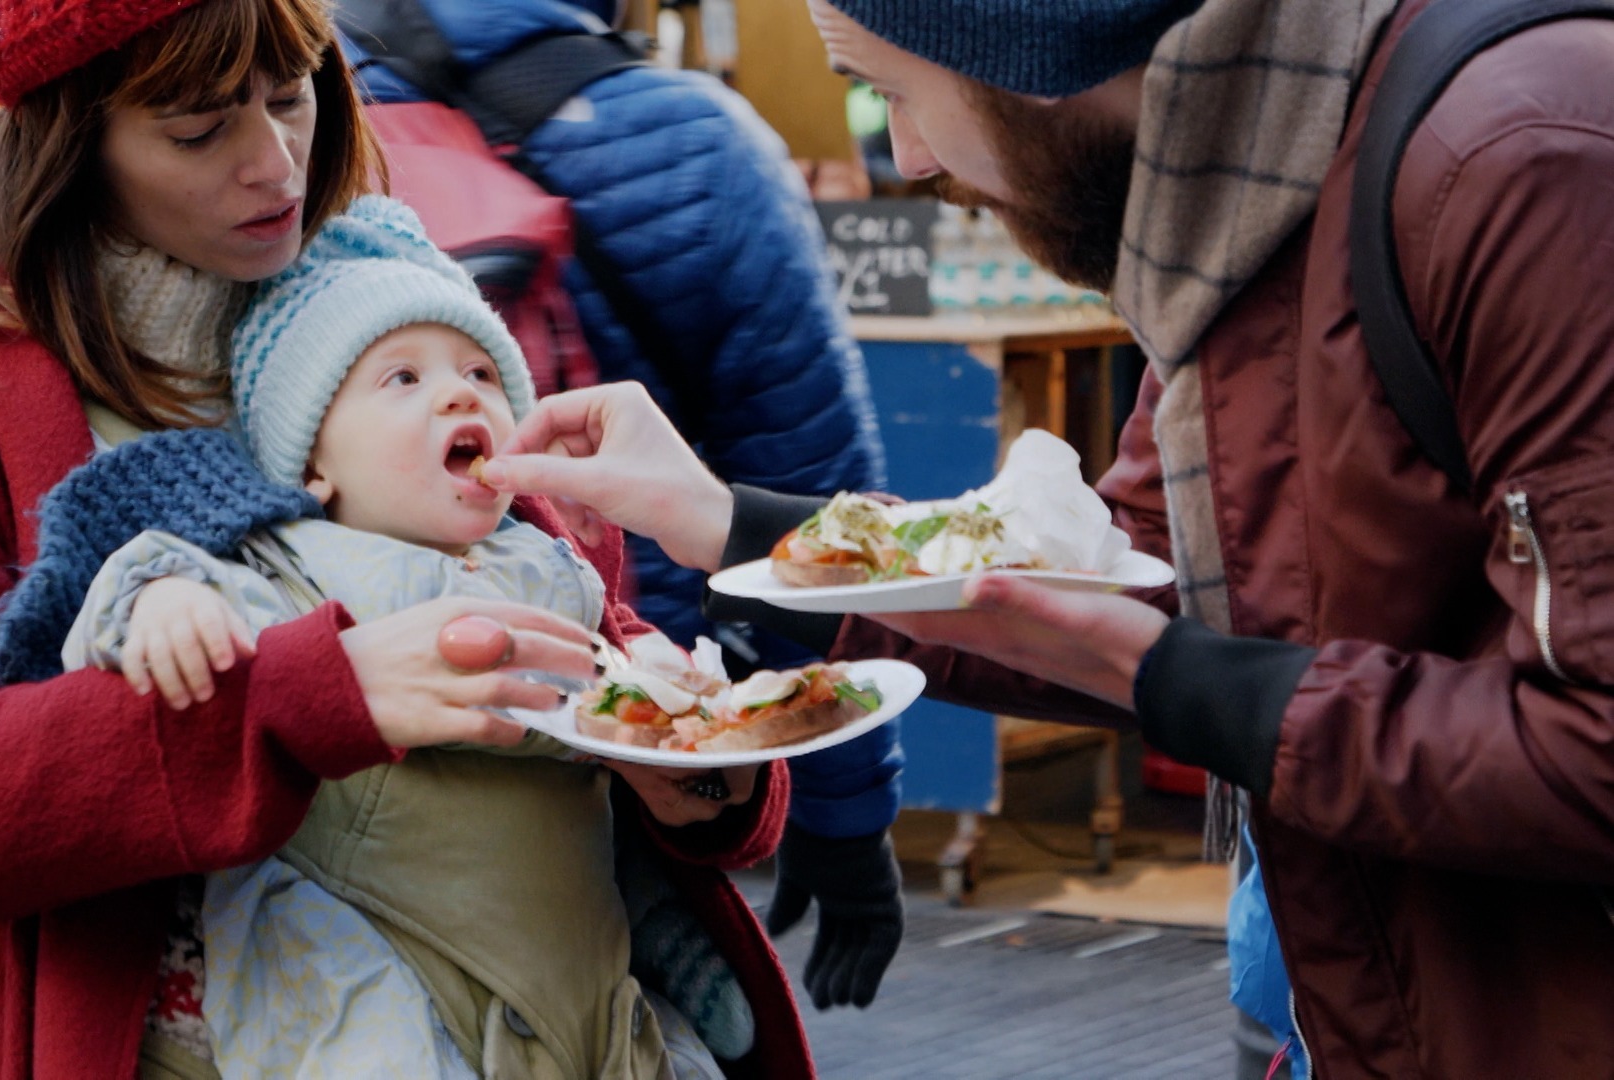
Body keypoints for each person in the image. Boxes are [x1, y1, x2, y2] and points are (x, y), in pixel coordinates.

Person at [477, 0, 1614, 1076]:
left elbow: (1595, 749)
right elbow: (1120, 561)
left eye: (890, 92)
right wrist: (729, 523)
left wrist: (1176, 681)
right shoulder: (1248, 180)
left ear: (1015, 38)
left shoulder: (1519, 160)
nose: (909, 156)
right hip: (1385, 995)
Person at [0, 3, 806, 1077]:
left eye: (291, 94)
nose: (275, 162)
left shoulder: (390, 297)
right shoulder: (17, 397)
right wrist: (301, 701)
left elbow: (580, 623)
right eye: (197, 129)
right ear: (66, 146)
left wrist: (704, 772)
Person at [340, 0, 905, 1013]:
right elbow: (821, 511)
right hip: (640, 748)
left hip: (359, 754)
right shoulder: (698, 141)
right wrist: (847, 810)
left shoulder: (292, 118)